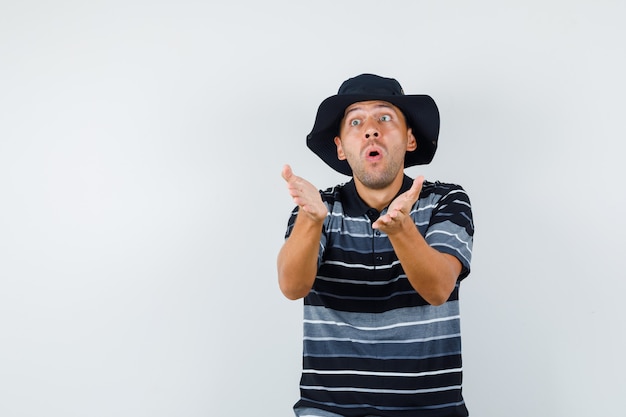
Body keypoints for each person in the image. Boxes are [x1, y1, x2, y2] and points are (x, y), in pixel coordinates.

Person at [277, 74, 474, 417]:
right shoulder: (317, 208)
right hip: (328, 411)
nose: (371, 129)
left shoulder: (447, 200)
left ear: (410, 139)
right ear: (340, 147)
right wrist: (311, 221)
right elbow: (292, 286)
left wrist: (401, 230)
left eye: (385, 117)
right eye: (356, 121)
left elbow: (439, 288)